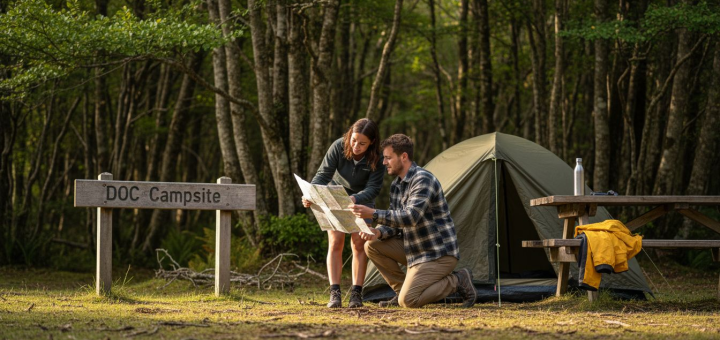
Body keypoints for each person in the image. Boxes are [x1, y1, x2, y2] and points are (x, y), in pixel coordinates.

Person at [349, 134, 476, 308]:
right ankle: (401, 290)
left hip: (438, 254)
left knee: (409, 301)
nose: (384, 162)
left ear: (404, 157)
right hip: (415, 250)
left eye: (388, 158)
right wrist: (378, 232)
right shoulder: (396, 185)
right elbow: (395, 222)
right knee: (372, 245)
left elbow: (410, 217)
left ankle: (458, 280)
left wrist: (373, 213)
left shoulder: (423, 179)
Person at [303, 118, 385, 308]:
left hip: (362, 201)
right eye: (354, 140)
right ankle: (335, 293)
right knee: (336, 242)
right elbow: (323, 175)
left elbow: (374, 187)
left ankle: (356, 293)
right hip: (335, 197)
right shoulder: (338, 146)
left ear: (372, 142)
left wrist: (355, 199)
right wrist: (310, 194)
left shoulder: (377, 157)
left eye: (362, 143)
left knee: (358, 244)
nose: (356, 146)